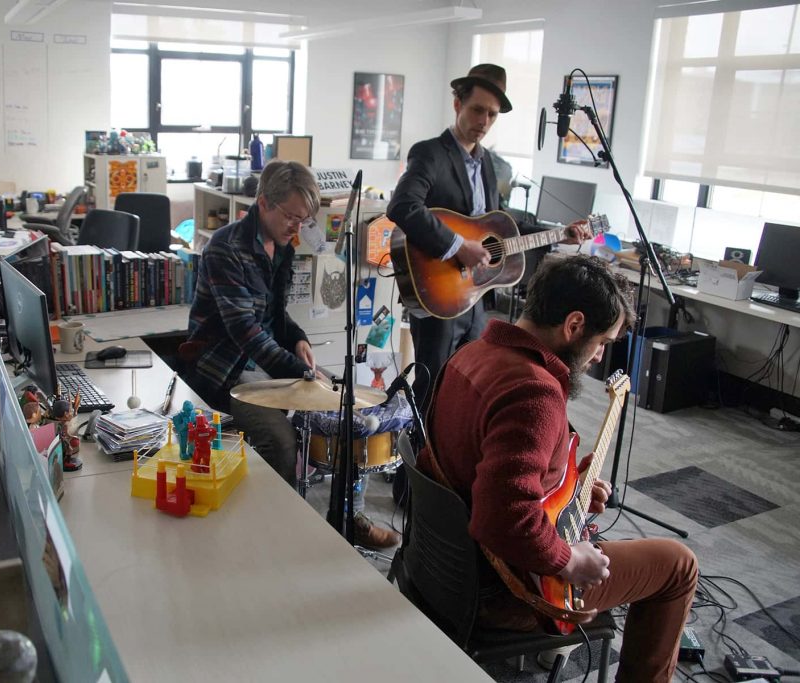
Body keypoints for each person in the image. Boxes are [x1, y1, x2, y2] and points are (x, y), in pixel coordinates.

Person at [422, 254, 698, 682]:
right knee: (678, 565)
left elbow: (479, 467)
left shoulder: (471, 354)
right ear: (573, 326)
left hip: (445, 568)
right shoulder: (535, 392)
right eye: (601, 341)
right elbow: (503, 517)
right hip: (505, 588)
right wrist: (567, 559)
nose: (599, 356)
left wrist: (571, 485)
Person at [180, 160, 398, 548]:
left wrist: (297, 337)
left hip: (265, 364)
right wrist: (301, 372)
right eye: (292, 217)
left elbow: (273, 316)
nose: (298, 227)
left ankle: (350, 516)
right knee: (281, 442)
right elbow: (245, 332)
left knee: (350, 413)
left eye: (304, 219)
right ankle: (269, 537)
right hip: (225, 369)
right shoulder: (225, 249)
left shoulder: (280, 246)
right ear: (263, 203)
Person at [386, 64, 591, 414]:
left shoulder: (489, 165)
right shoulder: (430, 153)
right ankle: (415, 465)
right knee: (430, 390)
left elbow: (500, 225)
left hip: (477, 298)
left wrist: (558, 234)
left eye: (492, 115)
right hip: (441, 293)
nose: (483, 121)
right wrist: (457, 247)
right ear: (457, 105)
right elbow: (402, 206)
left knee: (469, 385)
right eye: (477, 109)